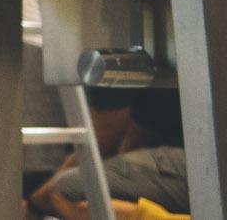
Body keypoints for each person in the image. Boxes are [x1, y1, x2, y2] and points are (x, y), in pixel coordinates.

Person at [28, 88, 188, 220]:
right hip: (187, 156)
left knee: (65, 190)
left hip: (192, 161)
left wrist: (34, 205)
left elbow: (106, 135)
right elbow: (143, 126)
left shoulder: (112, 62)